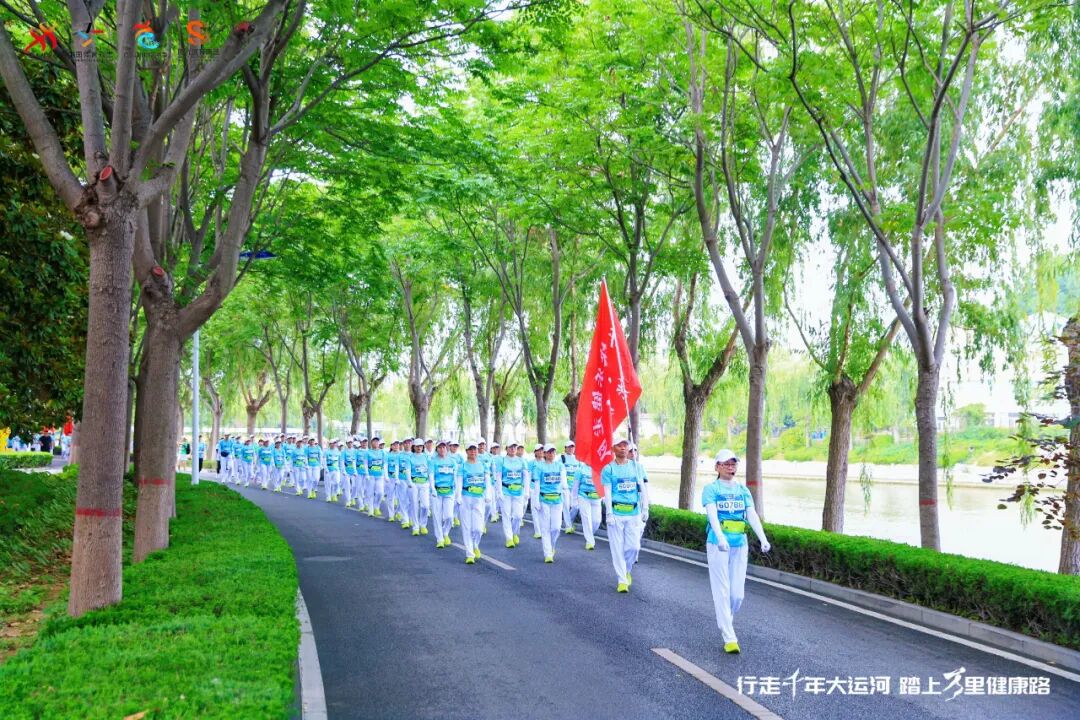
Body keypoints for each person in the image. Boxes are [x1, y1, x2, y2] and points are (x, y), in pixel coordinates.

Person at [703, 449, 770, 654]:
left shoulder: (743, 491)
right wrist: (720, 537)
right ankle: (729, 637)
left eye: (733, 464)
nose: (730, 467)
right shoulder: (711, 489)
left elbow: (752, 515)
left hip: (740, 544)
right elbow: (712, 515)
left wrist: (763, 538)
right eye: (726, 464)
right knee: (722, 591)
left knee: (737, 595)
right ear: (717, 467)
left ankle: (726, 619)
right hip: (718, 544)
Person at [601, 438, 649, 593]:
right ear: (613, 449)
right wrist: (609, 513)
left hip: (634, 513)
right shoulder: (608, 469)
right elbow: (607, 492)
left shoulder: (637, 467)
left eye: (625, 445)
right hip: (616, 514)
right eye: (619, 445)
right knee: (617, 549)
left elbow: (643, 489)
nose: (623, 448)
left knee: (633, 547)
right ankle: (622, 580)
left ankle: (627, 569)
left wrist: (645, 508)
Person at [534, 444, 567, 563]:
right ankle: (547, 553)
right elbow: (537, 484)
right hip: (544, 500)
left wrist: (566, 491)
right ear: (545, 453)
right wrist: (536, 500)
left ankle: (552, 546)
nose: (551, 454)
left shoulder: (560, 465)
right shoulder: (539, 467)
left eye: (553, 452)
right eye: (549, 452)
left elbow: (564, 481)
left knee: (556, 528)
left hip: (557, 500)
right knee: (545, 528)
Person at [459, 441, 490, 563]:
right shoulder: (462, 466)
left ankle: (475, 544)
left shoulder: (483, 465)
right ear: (466, 451)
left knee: (478, 528)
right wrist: (458, 496)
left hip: (479, 499)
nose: (473, 452)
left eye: (475, 449)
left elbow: (487, 481)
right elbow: (459, 482)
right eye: (470, 449)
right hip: (466, 498)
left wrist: (488, 494)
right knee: (467, 526)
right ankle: (469, 554)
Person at [496, 441, 529, 548]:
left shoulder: (522, 461)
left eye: (515, 447)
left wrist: (526, 491)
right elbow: (498, 477)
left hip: (518, 492)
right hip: (505, 491)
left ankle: (515, 532)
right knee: (506, 515)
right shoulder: (502, 461)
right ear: (506, 448)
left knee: (518, 516)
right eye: (510, 447)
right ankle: (509, 538)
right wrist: (499, 491)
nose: (513, 449)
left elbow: (526, 477)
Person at [430, 441, 459, 548]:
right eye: (439, 447)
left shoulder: (452, 461)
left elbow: (455, 477)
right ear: (437, 449)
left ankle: (445, 532)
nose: (442, 449)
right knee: (437, 516)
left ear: (446, 448)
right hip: (437, 493)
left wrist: (457, 491)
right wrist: (433, 489)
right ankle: (440, 539)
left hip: (449, 492)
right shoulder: (433, 461)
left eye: (443, 447)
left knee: (449, 516)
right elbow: (431, 476)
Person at [572, 455, 601, 551]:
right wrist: (575, 501)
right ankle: (590, 541)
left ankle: (589, 535)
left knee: (596, 521)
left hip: (596, 498)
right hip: (584, 497)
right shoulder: (580, 470)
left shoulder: (600, 470)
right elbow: (575, 487)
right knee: (586, 519)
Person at [404, 438, 432, 535]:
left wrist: (430, 482)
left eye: (420, 446)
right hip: (414, 484)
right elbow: (408, 471)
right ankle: (415, 527)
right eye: (417, 446)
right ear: (414, 447)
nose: (419, 448)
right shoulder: (410, 458)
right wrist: (410, 482)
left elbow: (430, 471)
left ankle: (423, 525)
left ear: (423, 447)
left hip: (424, 484)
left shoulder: (427, 457)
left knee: (425, 506)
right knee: (414, 505)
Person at [366, 437, 388, 517]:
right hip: (371, 476)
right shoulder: (368, 452)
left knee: (380, 493)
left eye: (377, 441)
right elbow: (365, 464)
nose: (376, 443)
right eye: (374, 441)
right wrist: (367, 474)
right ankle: (370, 510)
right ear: (371, 443)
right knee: (370, 493)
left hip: (380, 476)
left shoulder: (383, 453)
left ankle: (376, 506)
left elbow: (385, 465)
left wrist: (386, 476)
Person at [561, 440, 579, 534]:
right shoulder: (561, 458)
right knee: (566, 506)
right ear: (565, 448)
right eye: (569, 447)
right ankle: (568, 526)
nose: (571, 448)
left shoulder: (577, 459)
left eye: (572, 447)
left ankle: (569, 522)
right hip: (565, 487)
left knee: (576, 506)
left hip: (575, 487)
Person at [529, 443, 545, 539]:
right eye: (539, 450)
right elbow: (528, 476)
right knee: (535, 509)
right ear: (535, 452)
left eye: (542, 450)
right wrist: (528, 489)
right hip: (533, 487)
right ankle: (537, 531)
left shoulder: (546, 462)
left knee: (543, 509)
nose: (541, 452)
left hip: (543, 489)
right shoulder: (531, 463)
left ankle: (543, 530)